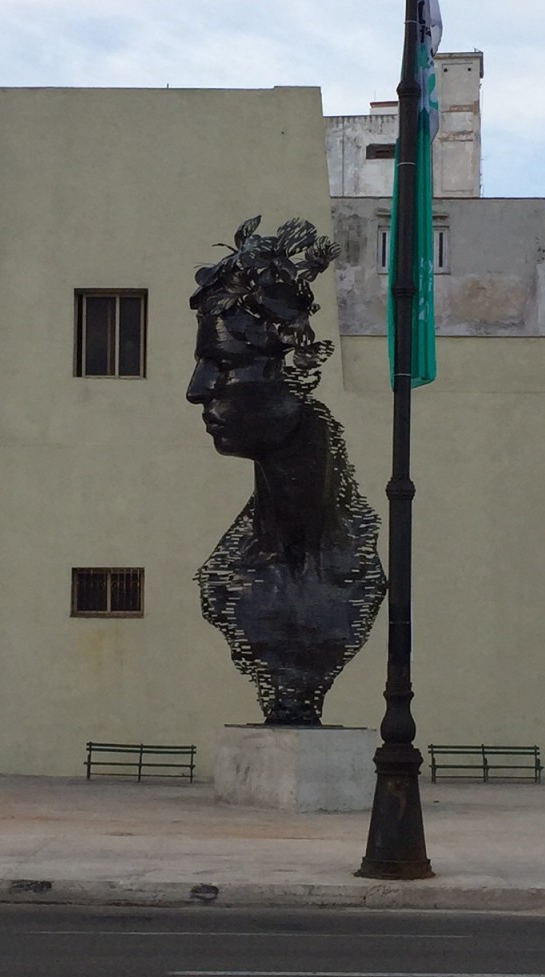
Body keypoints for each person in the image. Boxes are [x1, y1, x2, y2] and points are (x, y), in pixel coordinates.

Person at [186, 216, 387, 726]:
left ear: (296, 370)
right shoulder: (225, 579)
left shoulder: (355, 569)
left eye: (225, 365)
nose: (197, 389)